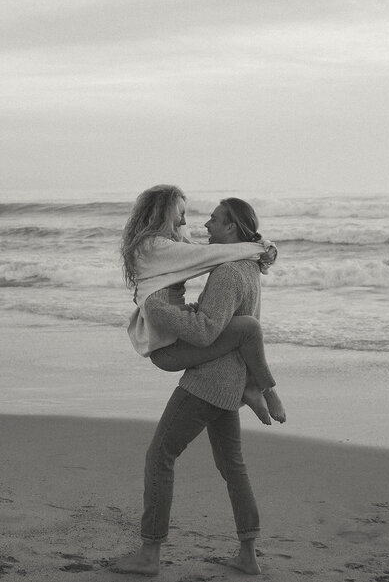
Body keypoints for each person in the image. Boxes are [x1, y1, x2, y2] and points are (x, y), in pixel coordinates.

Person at [114, 194, 286, 576]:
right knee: (232, 466)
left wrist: (159, 311)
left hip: (208, 381)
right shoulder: (247, 267)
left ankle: (149, 554)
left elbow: (208, 330)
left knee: (159, 457)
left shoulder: (226, 272)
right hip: (230, 380)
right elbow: (226, 324)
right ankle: (248, 553)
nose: (204, 225)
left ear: (231, 227)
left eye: (213, 219)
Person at [121, 185, 285, 424]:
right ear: (164, 212)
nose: (184, 220)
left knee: (235, 324)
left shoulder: (167, 244)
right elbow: (209, 255)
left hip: (173, 335)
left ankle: (250, 387)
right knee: (247, 328)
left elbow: (207, 251)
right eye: (181, 213)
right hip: (167, 346)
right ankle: (265, 389)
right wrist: (261, 248)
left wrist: (264, 245)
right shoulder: (152, 247)